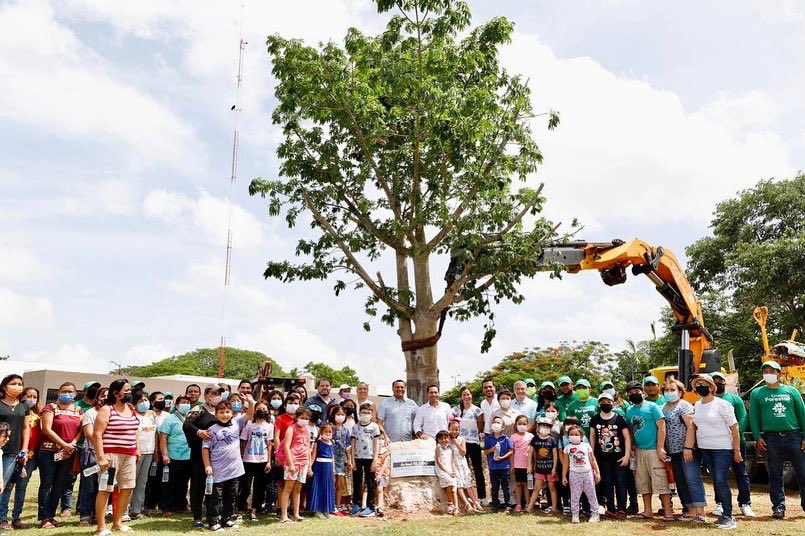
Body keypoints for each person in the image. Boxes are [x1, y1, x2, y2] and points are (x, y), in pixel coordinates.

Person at [749, 360, 805, 520]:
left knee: (802, 472)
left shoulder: (791, 391)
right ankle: (778, 507)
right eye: (765, 371)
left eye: (772, 371)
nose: (768, 374)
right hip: (771, 438)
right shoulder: (757, 393)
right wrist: (758, 437)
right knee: (775, 474)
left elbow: (802, 414)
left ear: (779, 374)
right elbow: (754, 416)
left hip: (794, 436)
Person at [687, 374, 742, 529]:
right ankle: (724, 514)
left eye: (704, 384)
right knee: (716, 481)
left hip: (722, 448)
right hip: (705, 448)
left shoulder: (722, 404)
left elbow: (734, 427)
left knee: (720, 480)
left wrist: (736, 449)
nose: (701, 387)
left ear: (712, 387)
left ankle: (729, 516)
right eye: (698, 385)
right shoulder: (697, 405)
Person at [93, 380, 140, 536]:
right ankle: (101, 527)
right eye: (126, 390)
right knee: (105, 489)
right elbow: (97, 435)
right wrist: (101, 457)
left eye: (129, 390)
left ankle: (117, 523)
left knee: (127, 488)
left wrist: (137, 449)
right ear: (115, 393)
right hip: (110, 455)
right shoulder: (107, 409)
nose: (129, 393)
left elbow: (134, 432)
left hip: (129, 455)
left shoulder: (131, 408)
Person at [202, 396, 255, 531]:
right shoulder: (211, 430)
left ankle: (226, 519)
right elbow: (205, 449)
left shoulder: (237, 423)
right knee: (216, 498)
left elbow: (250, 413)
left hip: (234, 470)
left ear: (232, 413)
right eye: (221, 412)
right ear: (216, 414)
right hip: (217, 471)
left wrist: (250, 402)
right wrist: (207, 465)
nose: (224, 415)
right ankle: (213, 521)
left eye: (227, 412)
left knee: (231, 496)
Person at [624, 380, 672, 521]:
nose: (634, 394)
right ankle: (648, 510)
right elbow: (631, 430)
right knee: (642, 482)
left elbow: (662, 426)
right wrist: (632, 447)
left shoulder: (652, 407)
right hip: (639, 451)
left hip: (654, 450)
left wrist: (660, 447)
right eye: (631, 392)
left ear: (642, 392)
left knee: (660, 481)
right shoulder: (629, 410)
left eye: (637, 391)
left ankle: (668, 511)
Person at [38, 381, 84, 529]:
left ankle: (51, 515)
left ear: (76, 394)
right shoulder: (50, 407)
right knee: (47, 484)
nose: (68, 394)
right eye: (64, 391)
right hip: (49, 451)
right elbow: (46, 429)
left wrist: (72, 445)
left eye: (71, 392)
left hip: (68, 453)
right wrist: (64, 445)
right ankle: (44, 518)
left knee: (59, 485)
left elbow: (81, 431)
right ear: (58, 392)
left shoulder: (78, 410)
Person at [709, 372, 754, 518]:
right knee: (718, 475)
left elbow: (742, 417)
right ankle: (720, 503)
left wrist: (734, 436)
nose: (718, 383)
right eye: (715, 381)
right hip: (716, 444)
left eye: (720, 380)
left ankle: (745, 503)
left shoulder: (734, 399)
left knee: (741, 472)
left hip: (736, 442)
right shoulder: (707, 401)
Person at [183, 384, 222, 528]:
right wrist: (199, 431)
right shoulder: (198, 409)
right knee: (199, 484)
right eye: (213, 393)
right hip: (199, 453)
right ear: (206, 395)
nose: (216, 395)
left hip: (217, 454)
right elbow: (187, 425)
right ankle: (197, 516)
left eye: (219, 393)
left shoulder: (220, 410)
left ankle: (213, 514)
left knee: (216, 485)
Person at [658, 380, 698, 521]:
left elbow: (691, 427)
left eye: (672, 389)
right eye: (666, 390)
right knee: (680, 480)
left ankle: (695, 510)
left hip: (685, 450)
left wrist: (688, 447)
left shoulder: (684, 406)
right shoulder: (663, 407)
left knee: (690, 479)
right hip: (672, 451)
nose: (669, 392)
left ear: (680, 392)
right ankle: (687, 508)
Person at [589, 392, 631, 520]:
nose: (605, 404)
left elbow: (627, 437)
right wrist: (592, 456)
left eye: (608, 401)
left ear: (613, 402)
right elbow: (592, 437)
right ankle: (611, 509)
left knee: (621, 483)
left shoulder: (619, 418)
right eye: (602, 402)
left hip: (619, 457)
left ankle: (622, 509)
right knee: (607, 483)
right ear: (599, 403)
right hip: (602, 458)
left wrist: (627, 455)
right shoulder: (595, 418)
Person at [5, 387, 41, 529]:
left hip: (30, 457)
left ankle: (16, 517)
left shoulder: (39, 416)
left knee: (22, 487)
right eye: (29, 395)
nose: (32, 399)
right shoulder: (17, 412)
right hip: (13, 454)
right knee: (7, 486)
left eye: (35, 396)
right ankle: (2, 516)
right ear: (22, 396)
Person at [0, 375, 29, 529]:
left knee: (5, 485)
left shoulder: (23, 405)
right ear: (4, 386)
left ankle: (2, 518)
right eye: (13, 383)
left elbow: (26, 428)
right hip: (0, 449)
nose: (17, 386)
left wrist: (24, 448)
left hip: (13, 452)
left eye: (20, 384)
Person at [238, 401, 273, 521]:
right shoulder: (249, 424)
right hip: (248, 460)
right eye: (259, 408)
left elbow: (269, 444)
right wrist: (241, 457)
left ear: (268, 411)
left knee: (259, 487)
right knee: (245, 487)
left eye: (264, 408)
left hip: (262, 461)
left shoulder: (269, 426)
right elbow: (243, 441)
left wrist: (268, 461)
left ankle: (254, 511)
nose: (262, 410)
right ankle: (240, 511)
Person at [450, 386, 486, 505]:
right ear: (461, 396)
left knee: (477, 469)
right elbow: (451, 424)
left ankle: (482, 496)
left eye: (468, 394)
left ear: (471, 395)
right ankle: (466, 496)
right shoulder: (456, 410)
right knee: (461, 469)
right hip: (460, 444)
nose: (466, 397)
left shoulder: (477, 410)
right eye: (464, 395)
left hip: (474, 443)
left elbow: (480, 426)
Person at [157, 395, 192, 517]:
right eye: (183, 402)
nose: (186, 404)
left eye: (188, 402)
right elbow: (163, 438)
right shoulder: (170, 418)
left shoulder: (191, 418)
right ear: (176, 405)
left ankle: (180, 505)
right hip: (172, 455)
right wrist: (165, 455)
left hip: (187, 456)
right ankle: (165, 507)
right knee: (168, 483)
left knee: (183, 483)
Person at [77, 387, 106, 526]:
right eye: (102, 396)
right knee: (89, 486)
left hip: (108, 454)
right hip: (91, 453)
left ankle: (98, 515)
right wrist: (101, 444)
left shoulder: (112, 413)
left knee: (103, 486)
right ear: (97, 397)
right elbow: (89, 433)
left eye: (107, 396)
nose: (104, 398)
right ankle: (85, 515)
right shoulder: (90, 413)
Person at [279, 408, 312, 523]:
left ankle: (296, 514)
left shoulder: (307, 430)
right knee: (288, 488)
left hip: (304, 463)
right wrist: (291, 464)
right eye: (302, 418)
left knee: (298, 489)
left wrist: (309, 466)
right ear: (297, 418)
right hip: (292, 462)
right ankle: (283, 516)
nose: (304, 420)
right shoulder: (291, 429)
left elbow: (308, 448)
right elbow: (286, 446)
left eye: (307, 418)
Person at [562, 425, 601, 524]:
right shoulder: (567, 448)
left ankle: (595, 514)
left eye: (576, 434)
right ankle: (575, 514)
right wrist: (563, 476)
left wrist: (597, 473)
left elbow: (593, 460)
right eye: (571, 434)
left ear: (581, 436)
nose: (574, 436)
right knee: (575, 495)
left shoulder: (586, 446)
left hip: (588, 473)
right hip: (574, 474)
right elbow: (566, 463)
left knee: (591, 494)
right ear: (568, 436)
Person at [128, 392, 156, 519]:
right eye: (140, 401)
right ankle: (123, 510)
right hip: (135, 452)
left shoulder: (152, 414)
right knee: (129, 481)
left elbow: (155, 432)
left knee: (142, 482)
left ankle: (136, 510)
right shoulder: (132, 414)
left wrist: (156, 450)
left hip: (149, 451)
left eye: (146, 399)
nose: (144, 402)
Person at [349, 403, 380, 517]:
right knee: (357, 481)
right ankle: (356, 504)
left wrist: (375, 460)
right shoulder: (355, 427)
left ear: (371, 414)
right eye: (363, 413)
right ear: (359, 414)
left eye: (368, 413)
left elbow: (377, 443)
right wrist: (352, 460)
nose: (365, 415)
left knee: (370, 482)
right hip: (357, 457)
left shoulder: (374, 426)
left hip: (370, 458)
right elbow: (353, 443)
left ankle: (370, 507)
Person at [447, 419, 482, 513]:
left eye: (457, 429)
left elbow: (463, 453)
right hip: (453, 464)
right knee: (459, 485)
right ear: (449, 429)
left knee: (468, 484)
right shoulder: (447, 440)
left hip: (462, 463)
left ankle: (475, 502)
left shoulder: (462, 439)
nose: (454, 431)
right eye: (452, 429)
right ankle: (467, 504)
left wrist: (456, 444)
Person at [526, 417, 559, 514]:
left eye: (547, 426)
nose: (545, 428)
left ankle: (554, 508)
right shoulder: (534, 439)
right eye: (543, 426)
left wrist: (554, 468)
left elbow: (555, 455)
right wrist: (529, 465)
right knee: (536, 488)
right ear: (538, 427)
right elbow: (530, 453)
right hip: (539, 469)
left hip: (550, 468)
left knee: (552, 487)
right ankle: (530, 507)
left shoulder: (552, 440)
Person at [142, 391, 167, 515]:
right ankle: (147, 505)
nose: (163, 401)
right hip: (149, 451)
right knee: (148, 480)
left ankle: (161, 504)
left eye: (163, 399)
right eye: (160, 399)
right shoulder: (149, 415)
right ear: (152, 402)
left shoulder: (168, 415)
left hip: (164, 452)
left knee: (161, 480)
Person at [483, 415, 512, 512]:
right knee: (494, 486)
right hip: (493, 466)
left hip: (504, 466)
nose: (495, 424)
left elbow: (511, 451)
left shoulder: (506, 438)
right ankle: (495, 504)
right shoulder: (488, 439)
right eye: (494, 422)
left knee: (505, 486)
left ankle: (507, 504)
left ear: (503, 427)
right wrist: (491, 449)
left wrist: (502, 457)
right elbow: (485, 452)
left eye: (498, 423)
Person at [307, 423, 336, 518]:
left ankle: (326, 509)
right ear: (321, 432)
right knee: (318, 488)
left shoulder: (332, 443)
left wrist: (334, 470)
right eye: (325, 432)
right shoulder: (317, 443)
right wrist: (310, 468)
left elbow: (333, 457)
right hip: (319, 468)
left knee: (327, 488)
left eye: (330, 432)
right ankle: (317, 510)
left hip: (329, 468)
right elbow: (313, 456)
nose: (328, 433)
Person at [329, 405, 352, 514]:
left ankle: (337, 505)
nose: (340, 416)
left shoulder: (346, 430)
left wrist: (349, 461)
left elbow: (348, 447)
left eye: (342, 414)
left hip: (342, 460)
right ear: (333, 415)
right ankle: (330, 504)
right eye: (338, 414)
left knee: (340, 484)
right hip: (330, 459)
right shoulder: (330, 428)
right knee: (331, 483)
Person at [510, 414, 533, 511]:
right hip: (517, 464)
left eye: (524, 424)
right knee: (518, 484)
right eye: (520, 424)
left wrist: (532, 465)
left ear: (528, 425)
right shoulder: (513, 437)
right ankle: (519, 504)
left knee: (527, 484)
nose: (522, 426)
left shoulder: (531, 436)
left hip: (528, 466)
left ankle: (527, 503)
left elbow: (533, 452)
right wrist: (512, 465)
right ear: (516, 425)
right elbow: (512, 452)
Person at [435, 430, 459, 515]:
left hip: (450, 470)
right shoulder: (438, 448)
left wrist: (453, 471)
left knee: (454, 485)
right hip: (442, 470)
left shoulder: (450, 449)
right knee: (449, 481)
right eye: (441, 439)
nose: (443, 440)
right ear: (438, 440)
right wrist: (448, 472)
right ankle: (450, 502)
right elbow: (439, 461)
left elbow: (452, 462)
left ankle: (456, 507)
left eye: (445, 438)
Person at [374, 430, 392, 517]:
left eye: (382, 439)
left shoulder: (386, 452)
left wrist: (380, 474)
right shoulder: (372, 451)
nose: (381, 440)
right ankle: (373, 506)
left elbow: (385, 464)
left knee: (380, 489)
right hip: (373, 474)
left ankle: (380, 506)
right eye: (379, 439)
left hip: (382, 474)